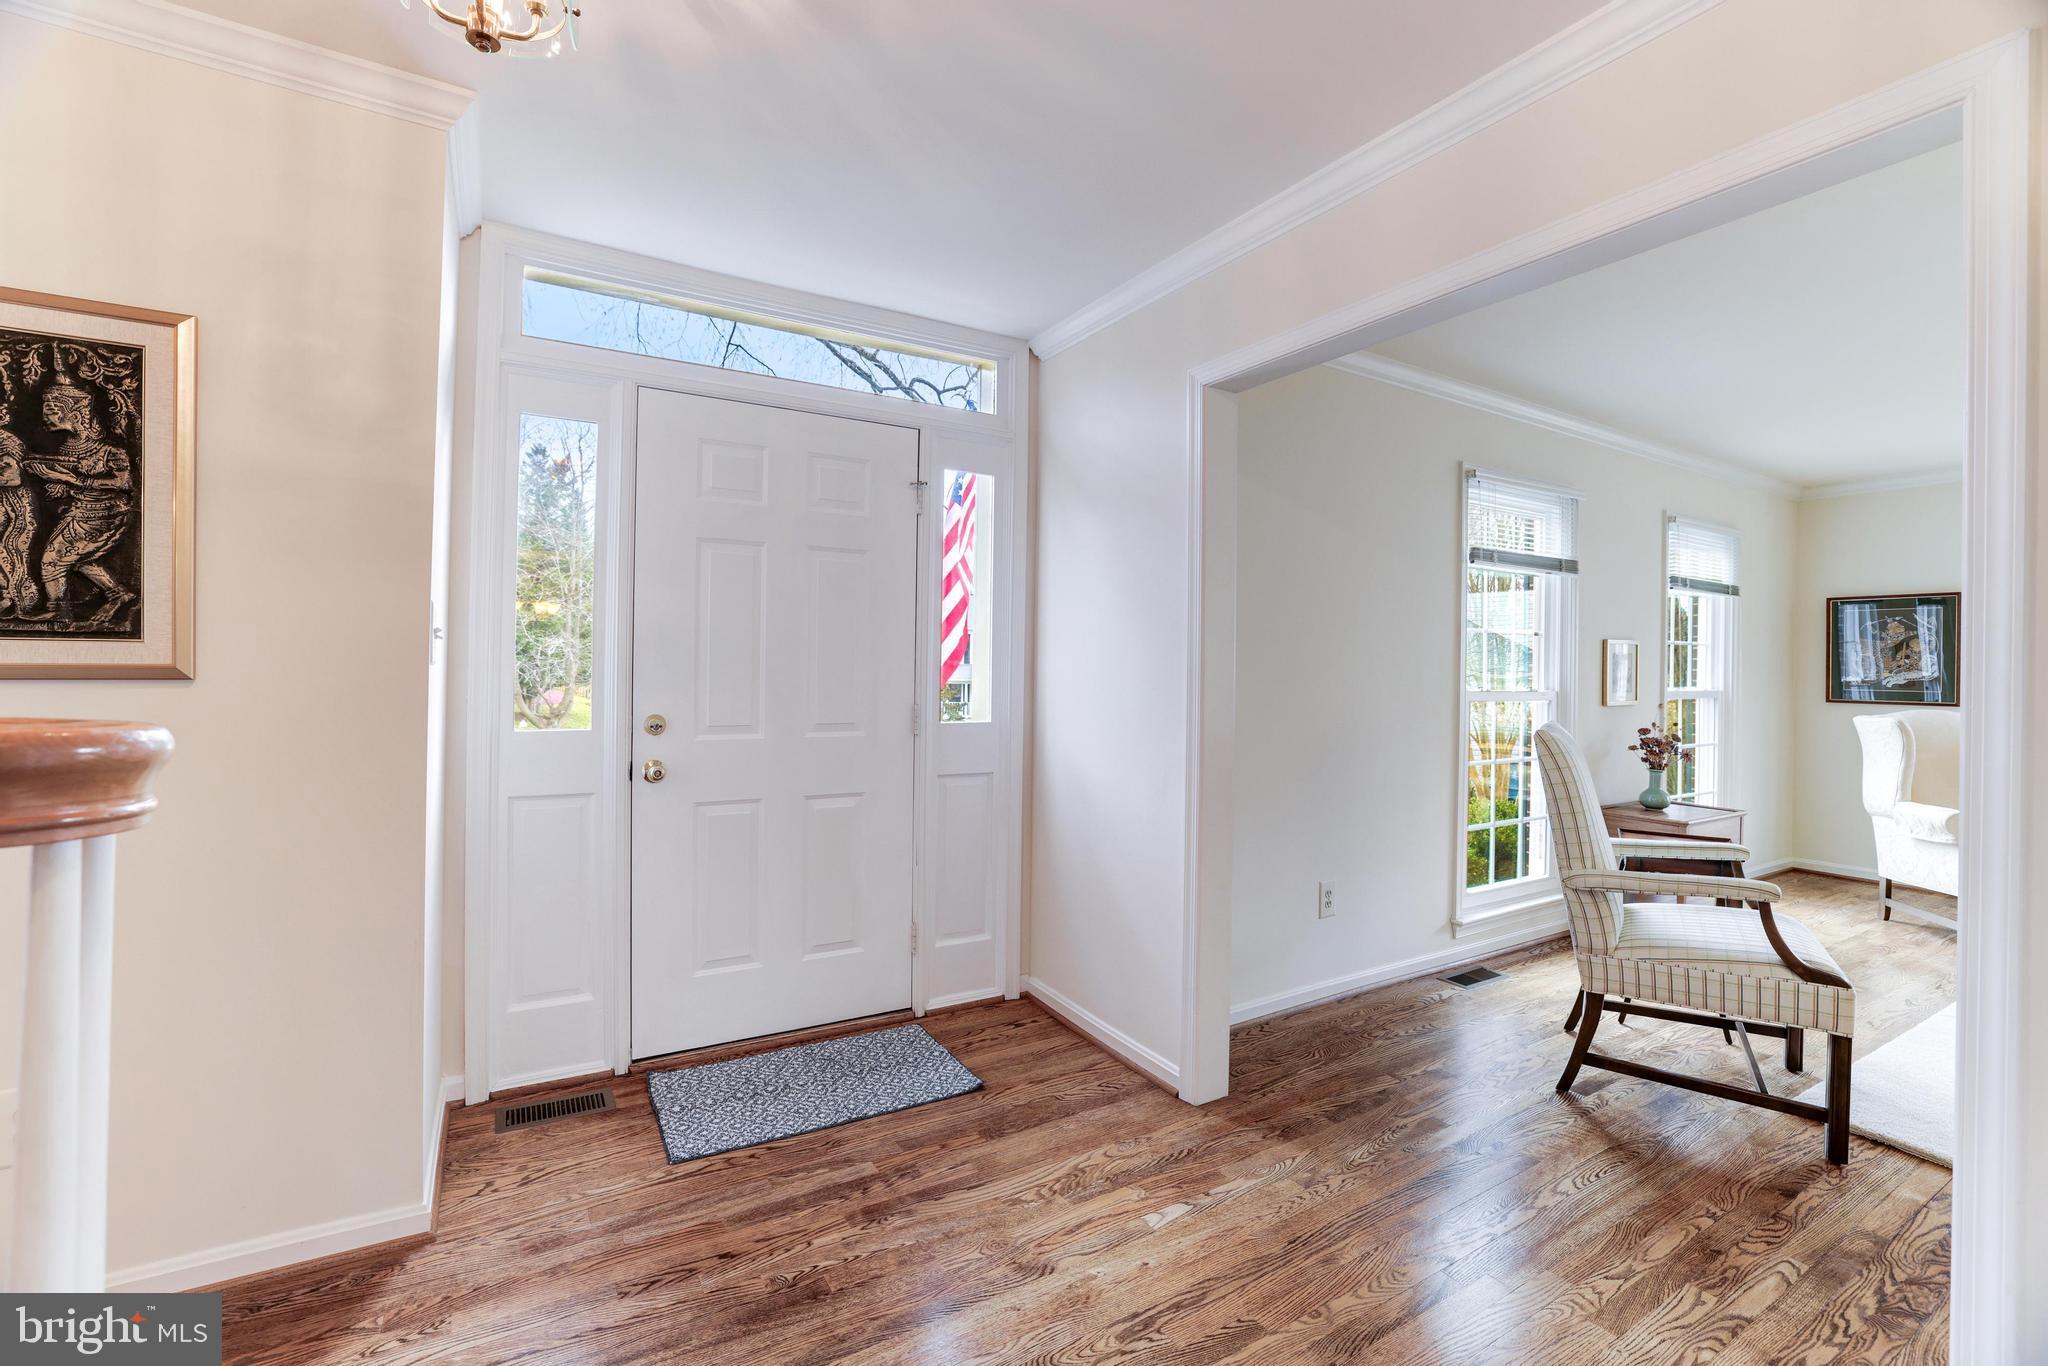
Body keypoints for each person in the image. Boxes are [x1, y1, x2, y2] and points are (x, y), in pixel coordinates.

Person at [19, 355, 135, 629]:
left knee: (52, 561)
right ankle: (118, 594)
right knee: (79, 559)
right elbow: (67, 483)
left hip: (104, 515)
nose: (44, 416)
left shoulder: (110, 451)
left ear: (74, 413)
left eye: (50, 410)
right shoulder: (67, 448)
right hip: (81, 511)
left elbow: (124, 484)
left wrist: (66, 478)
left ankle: (60, 611)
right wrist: (55, 483)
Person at [0, 423, 36, 617]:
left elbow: (13, 478)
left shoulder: (7, 441)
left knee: (10, 550)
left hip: (12, 503)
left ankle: (16, 599)